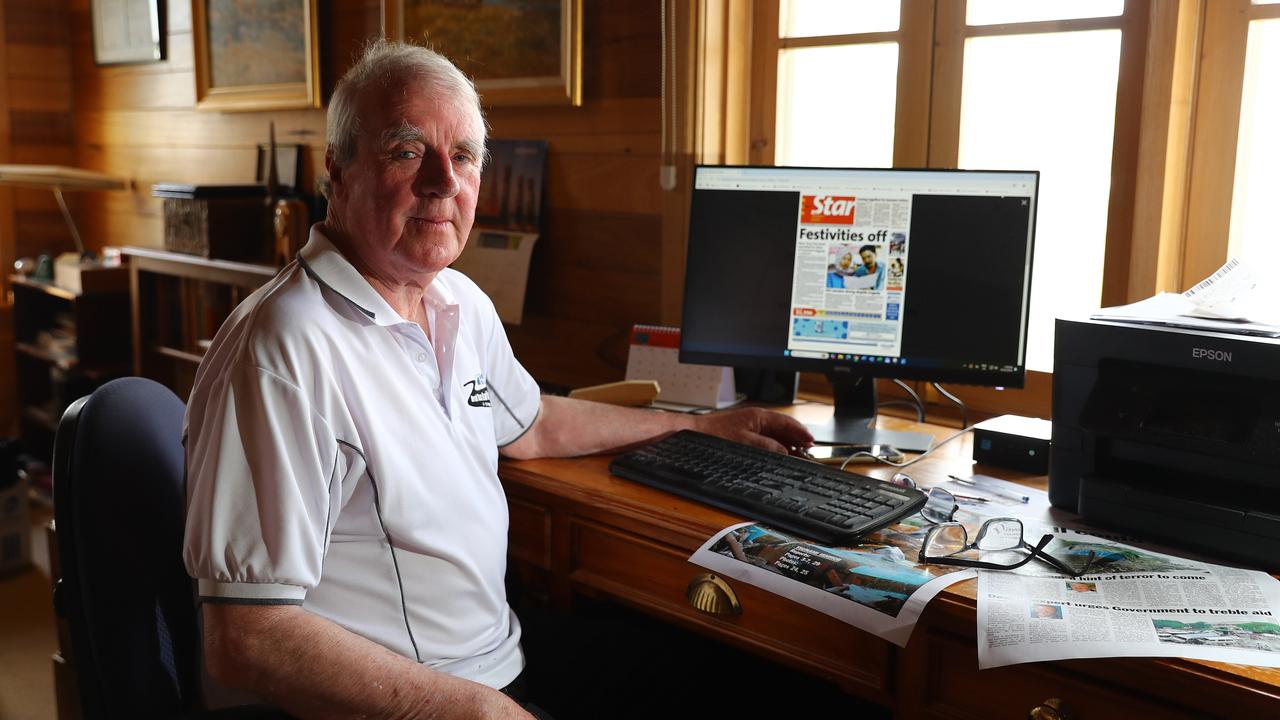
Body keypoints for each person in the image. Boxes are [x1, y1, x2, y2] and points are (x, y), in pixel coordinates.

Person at [182, 41, 812, 720]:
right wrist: (479, 714)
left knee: (761, 686)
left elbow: (533, 423)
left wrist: (695, 427)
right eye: (405, 151)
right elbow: (247, 638)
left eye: (463, 157)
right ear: (337, 170)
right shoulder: (284, 350)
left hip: (495, 661)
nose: (443, 182)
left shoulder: (457, 301)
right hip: (401, 699)